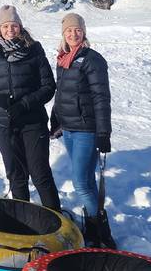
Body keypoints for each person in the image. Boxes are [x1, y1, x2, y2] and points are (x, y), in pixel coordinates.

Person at [0, 5, 61, 211]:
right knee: (16, 175)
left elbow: (49, 86)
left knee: (40, 174)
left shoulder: (34, 52)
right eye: (5, 26)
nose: (10, 30)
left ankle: (57, 221)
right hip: (4, 124)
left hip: (32, 122)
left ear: (20, 27)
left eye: (14, 25)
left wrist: (25, 104)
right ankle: (23, 219)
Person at [49, 13, 115, 247]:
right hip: (68, 129)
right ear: (63, 34)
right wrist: (55, 119)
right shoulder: (63, 59)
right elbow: (61, 94)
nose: (73, 34)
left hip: (86, 129)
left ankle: (98, 231)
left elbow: (101, 97)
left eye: (77, 30)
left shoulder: (92, 59)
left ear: (83, 32)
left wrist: (103, 133)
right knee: (86, 179)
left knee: (80, 182)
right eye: (69, 30)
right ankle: (93, 225)